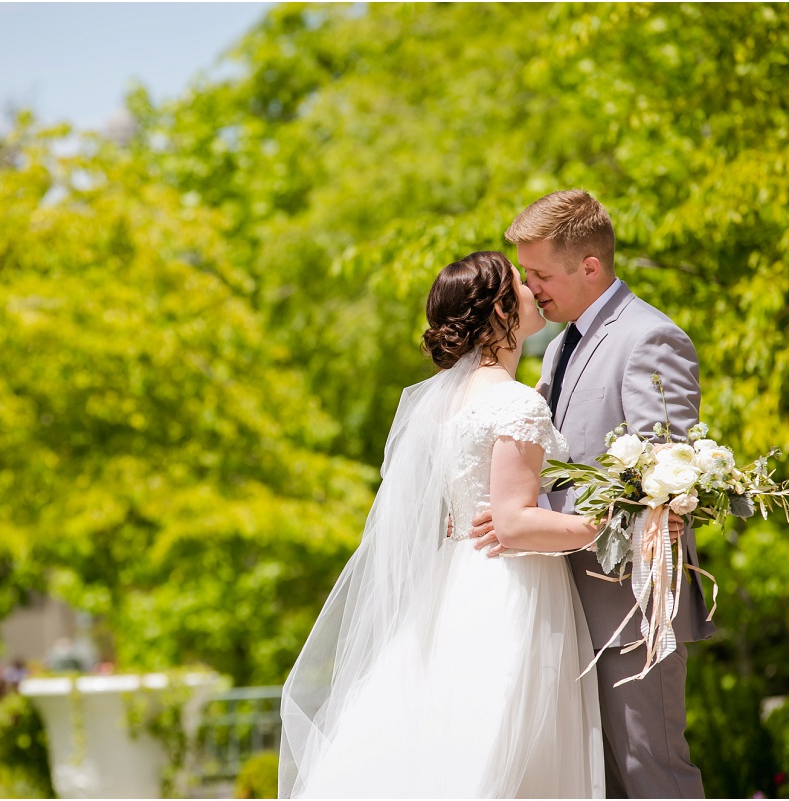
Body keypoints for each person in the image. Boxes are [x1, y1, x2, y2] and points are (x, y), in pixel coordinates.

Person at [279, 251, 605, 798]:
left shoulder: (450, 403)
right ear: (500, 312)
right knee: (504, 738)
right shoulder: (513, 402)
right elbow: (514, 523)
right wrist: (612, 520)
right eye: (519, 284)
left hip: (455, 577)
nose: (532, 288)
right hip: (509, 585)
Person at [470, 190, 715, 798]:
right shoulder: (557, 346)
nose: (528, 289)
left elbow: (666, 483)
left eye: (540, 274)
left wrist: (531, 521)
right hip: (561, 604)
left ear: (589, 266)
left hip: (629, 608)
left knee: (651, 774)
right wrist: (508, 512)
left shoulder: (650, 338)